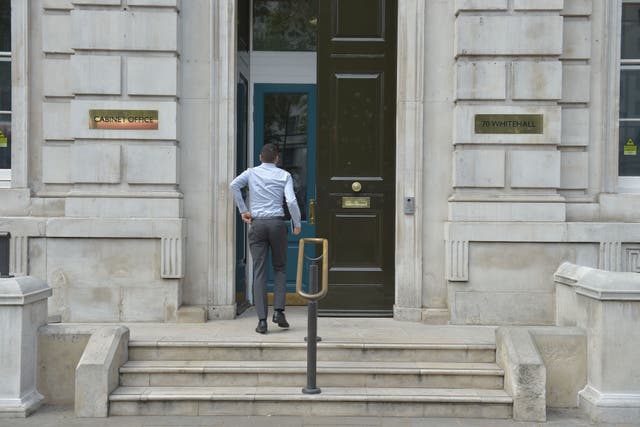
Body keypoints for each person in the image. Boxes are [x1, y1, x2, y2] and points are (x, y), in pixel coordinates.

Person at [230, 143, 302, 334]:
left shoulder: (251, 172)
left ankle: (262, 321)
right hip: (277, 224)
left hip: (258, 224)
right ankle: (279, 312)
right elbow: (291, 201)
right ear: (277, 158)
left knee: (259, 271)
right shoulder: (284, 175)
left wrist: (243, 210)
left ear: (260, 157)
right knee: (280, 268)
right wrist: (297, 223)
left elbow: (234, 185)